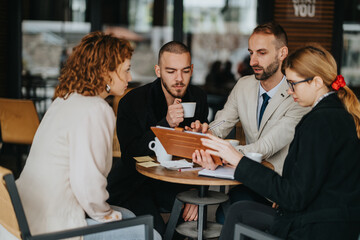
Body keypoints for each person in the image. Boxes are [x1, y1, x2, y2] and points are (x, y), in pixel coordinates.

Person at [193, 43, 360, 240]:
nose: (289, 91)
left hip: (317, 228)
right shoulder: (336, 114)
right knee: (239, 209)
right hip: (331, 221)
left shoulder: (320, 121)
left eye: (293, 83)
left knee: (237, 212)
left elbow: (295, 196)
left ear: (316, 82)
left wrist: (237, 159)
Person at [12, 32, 161, 240]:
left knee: (129, 215)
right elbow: (87, 183)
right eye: (126, 70)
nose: (129, 77)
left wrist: (108, 213)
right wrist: (106, 214)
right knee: (152, 234)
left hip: (27, 216)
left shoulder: (64, 100)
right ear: (105, 72)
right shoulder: (96, 109)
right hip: (56, 225)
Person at [188, 22, 309, 223]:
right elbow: (222, 123)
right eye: (251, 52)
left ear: (282, 53)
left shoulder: (297, 95)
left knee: (228, 217)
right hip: (249, 180)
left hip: (280, 191)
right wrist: (205, 134)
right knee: (225, 215)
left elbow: (263, 148)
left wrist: (218, 151)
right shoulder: (244, 85)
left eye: (261, 53)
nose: (253, 60)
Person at [106, 41, 209, 235]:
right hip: (135, 184)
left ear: (192, 70)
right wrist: (165, 124)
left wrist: (196, 192)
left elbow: (200, 156)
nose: (179, 79)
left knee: (196, 221)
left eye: (185, 71)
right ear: (158, 71)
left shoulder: (198, 97)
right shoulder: (132, 102)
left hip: (175, 183)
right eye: (171, 71)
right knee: (157, 232)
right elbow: (131, 156)